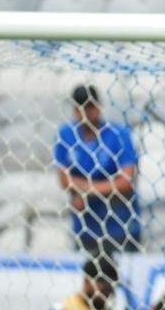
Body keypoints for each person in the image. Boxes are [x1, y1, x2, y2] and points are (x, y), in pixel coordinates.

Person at [53, 84, 142, 255]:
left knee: (121, 277)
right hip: (86, 227)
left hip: (121, 225)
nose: (84, 112)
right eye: (79, 107)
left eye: (89, 106)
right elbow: (64, 181)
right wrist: (108, 187)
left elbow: (126, 183)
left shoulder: (119, 134)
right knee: (90, 277)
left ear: (98, 107)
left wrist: (84, 192)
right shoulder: (66, 134)